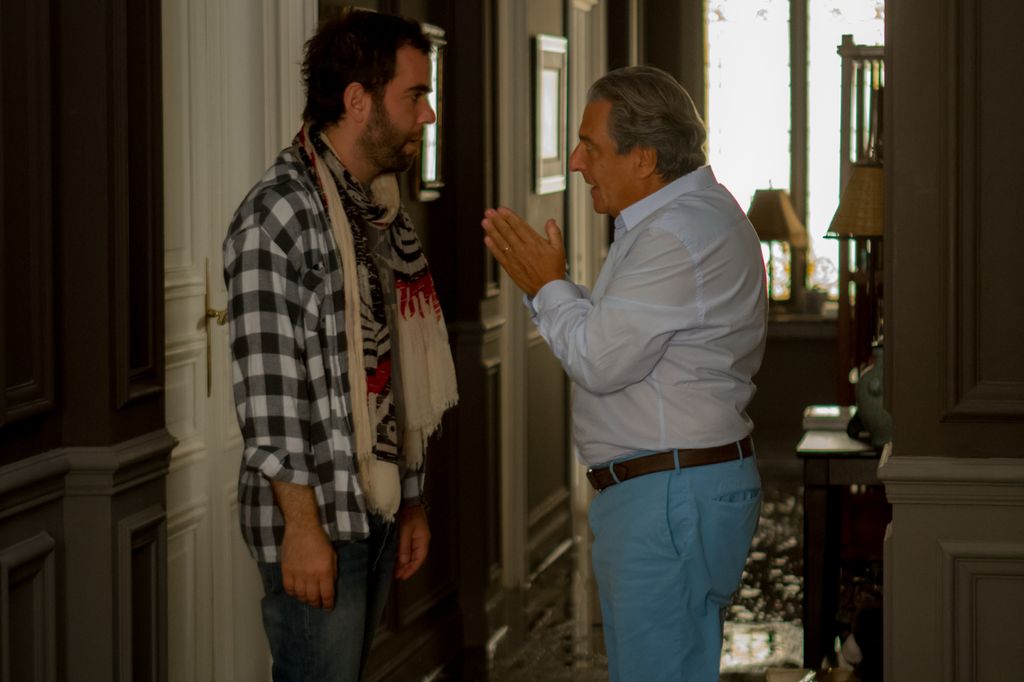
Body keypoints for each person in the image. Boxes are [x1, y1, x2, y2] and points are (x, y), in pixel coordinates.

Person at [481, 65, 767, 681]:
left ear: (643, 159)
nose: (577, 163)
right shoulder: (689, 218)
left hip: (667, 499)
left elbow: (598, 360)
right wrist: (547, 287)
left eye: (590, 146)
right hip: (673, 490)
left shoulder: (674, 234)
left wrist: (549, 286)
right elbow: (623, 336)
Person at [223, 9, 458, 681]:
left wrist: (410, 500)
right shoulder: (278, 215)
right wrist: (301, 530)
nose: (428, 114)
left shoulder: (378, 211)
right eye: (415, 95)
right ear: (358, 101)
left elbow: (394, 376)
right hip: (316, 516)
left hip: (374, 508)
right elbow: (270, 398)